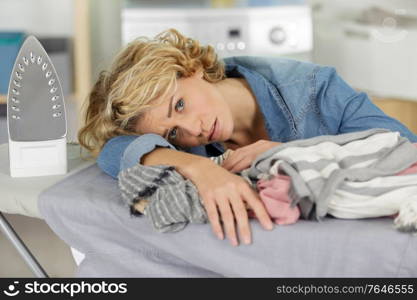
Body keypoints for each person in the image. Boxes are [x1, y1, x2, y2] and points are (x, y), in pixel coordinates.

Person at [78, 28, 417, 246]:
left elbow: (403, 148)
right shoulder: (190, 145)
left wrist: (292, 152)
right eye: (173, 132)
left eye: (179, 104)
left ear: (190, 67)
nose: (192, 129)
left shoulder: (316, 89)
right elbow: (113, 150)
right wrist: (199, 169)